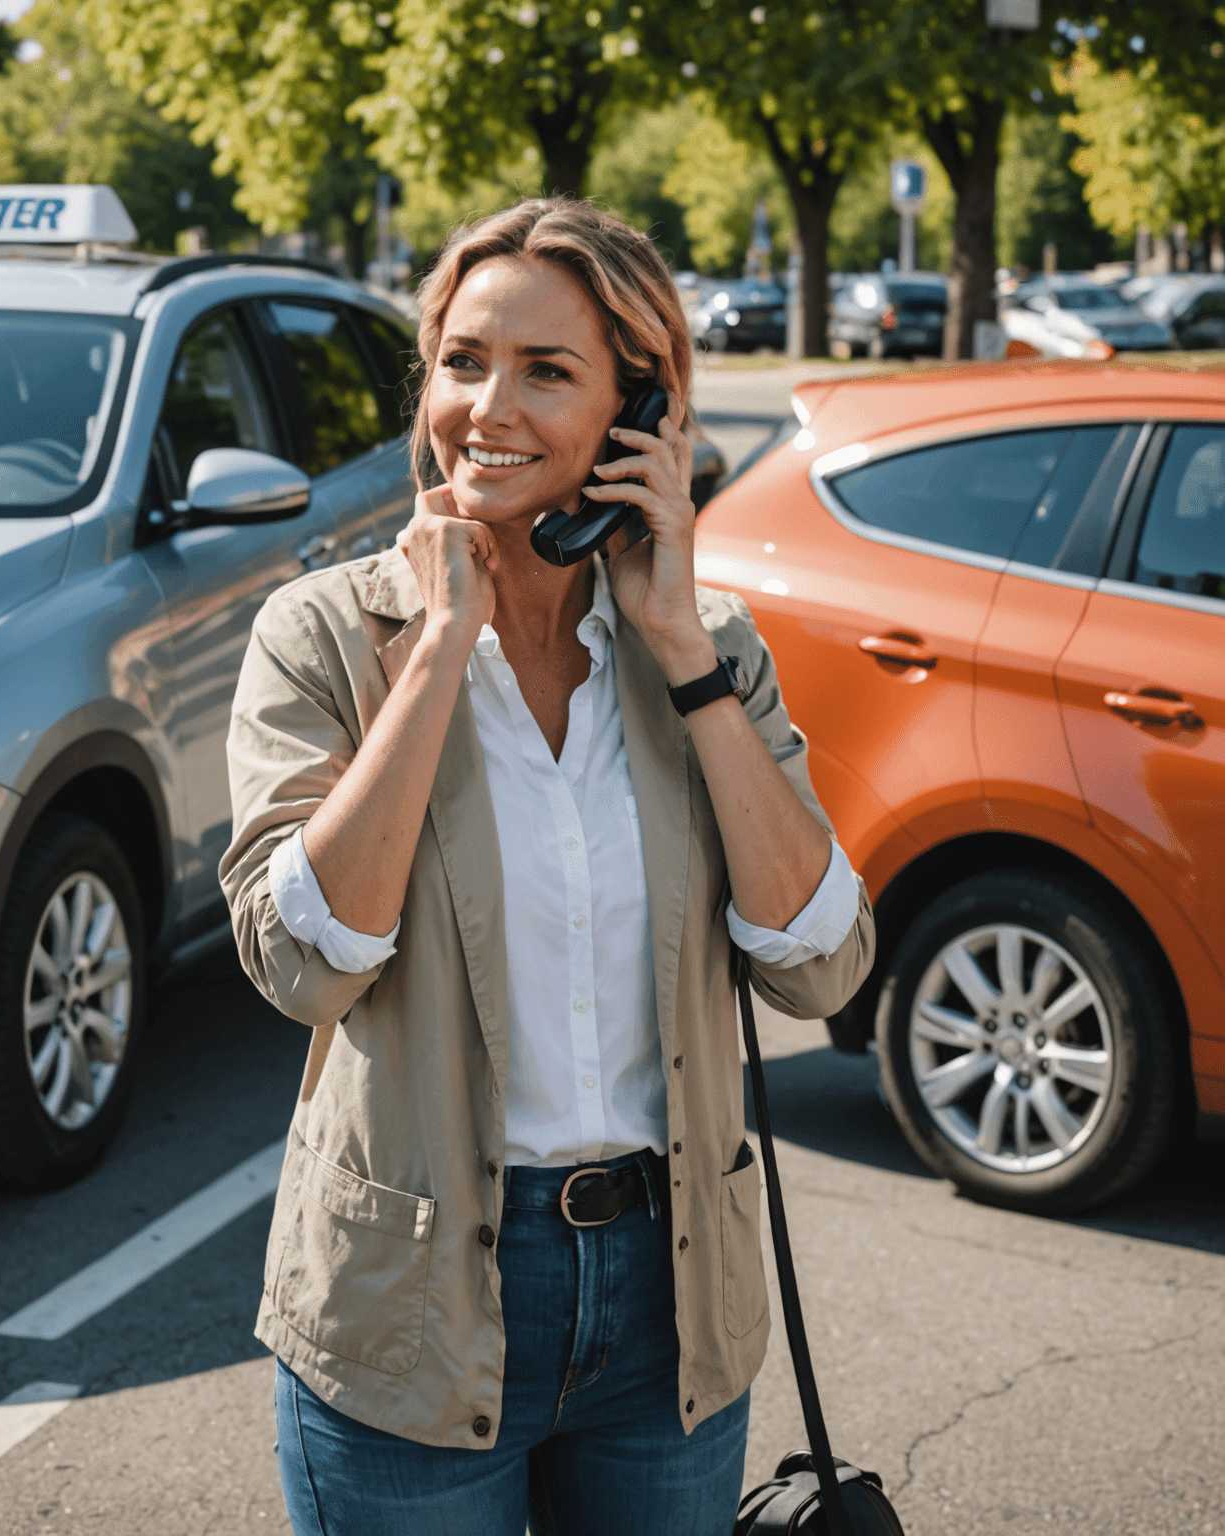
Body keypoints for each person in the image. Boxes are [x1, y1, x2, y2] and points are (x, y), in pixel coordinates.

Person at [220, 197, 875, 1536]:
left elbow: (820, 962)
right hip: (410, 1302)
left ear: (642, 415)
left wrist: (684, 654)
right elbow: (300, 965)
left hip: (668, 1295)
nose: (486, 407)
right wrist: (439, 655)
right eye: (463, 362)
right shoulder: (324, 636)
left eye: (547, 370)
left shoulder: (711, 649)